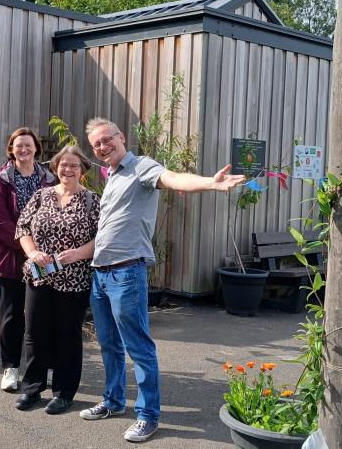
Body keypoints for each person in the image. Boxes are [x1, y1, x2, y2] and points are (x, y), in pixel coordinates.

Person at [79, 117, 244, 442]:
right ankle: (113, 401)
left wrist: (211, 183)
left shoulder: (141, 167)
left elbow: (173, 178)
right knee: (108, 345)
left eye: (106, 139)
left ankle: (148, 415)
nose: (102, 147)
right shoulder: (113, 176)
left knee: (138, 346)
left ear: (121, 136)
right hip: (101, 274)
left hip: (127, 273)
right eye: (96, 144)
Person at [13, 145, 100, 415]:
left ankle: (64, 392)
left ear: (82, 169)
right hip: (39, 277)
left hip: (74, 279)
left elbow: (104, 238)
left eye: (74, 165)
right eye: (63, 164)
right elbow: (23, 228)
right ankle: (32, 388)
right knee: (34, 332)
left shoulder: (92, 201)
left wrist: (78, 254)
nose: (68, 169)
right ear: (56, 167)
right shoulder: (42, 196)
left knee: (67, 335)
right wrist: (33, 252)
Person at [0, 127, 57, 392]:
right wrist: (29, 249)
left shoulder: (49, 180)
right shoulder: (1, 179)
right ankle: (11, 368)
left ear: (36, 148)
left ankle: (41, 367)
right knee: (11, 316)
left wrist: (42, 251)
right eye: (18, 146)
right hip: (9, 257)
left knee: (42, 316)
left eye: (28, 145)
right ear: (11, 150)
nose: (24, 149)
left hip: (43, 258)